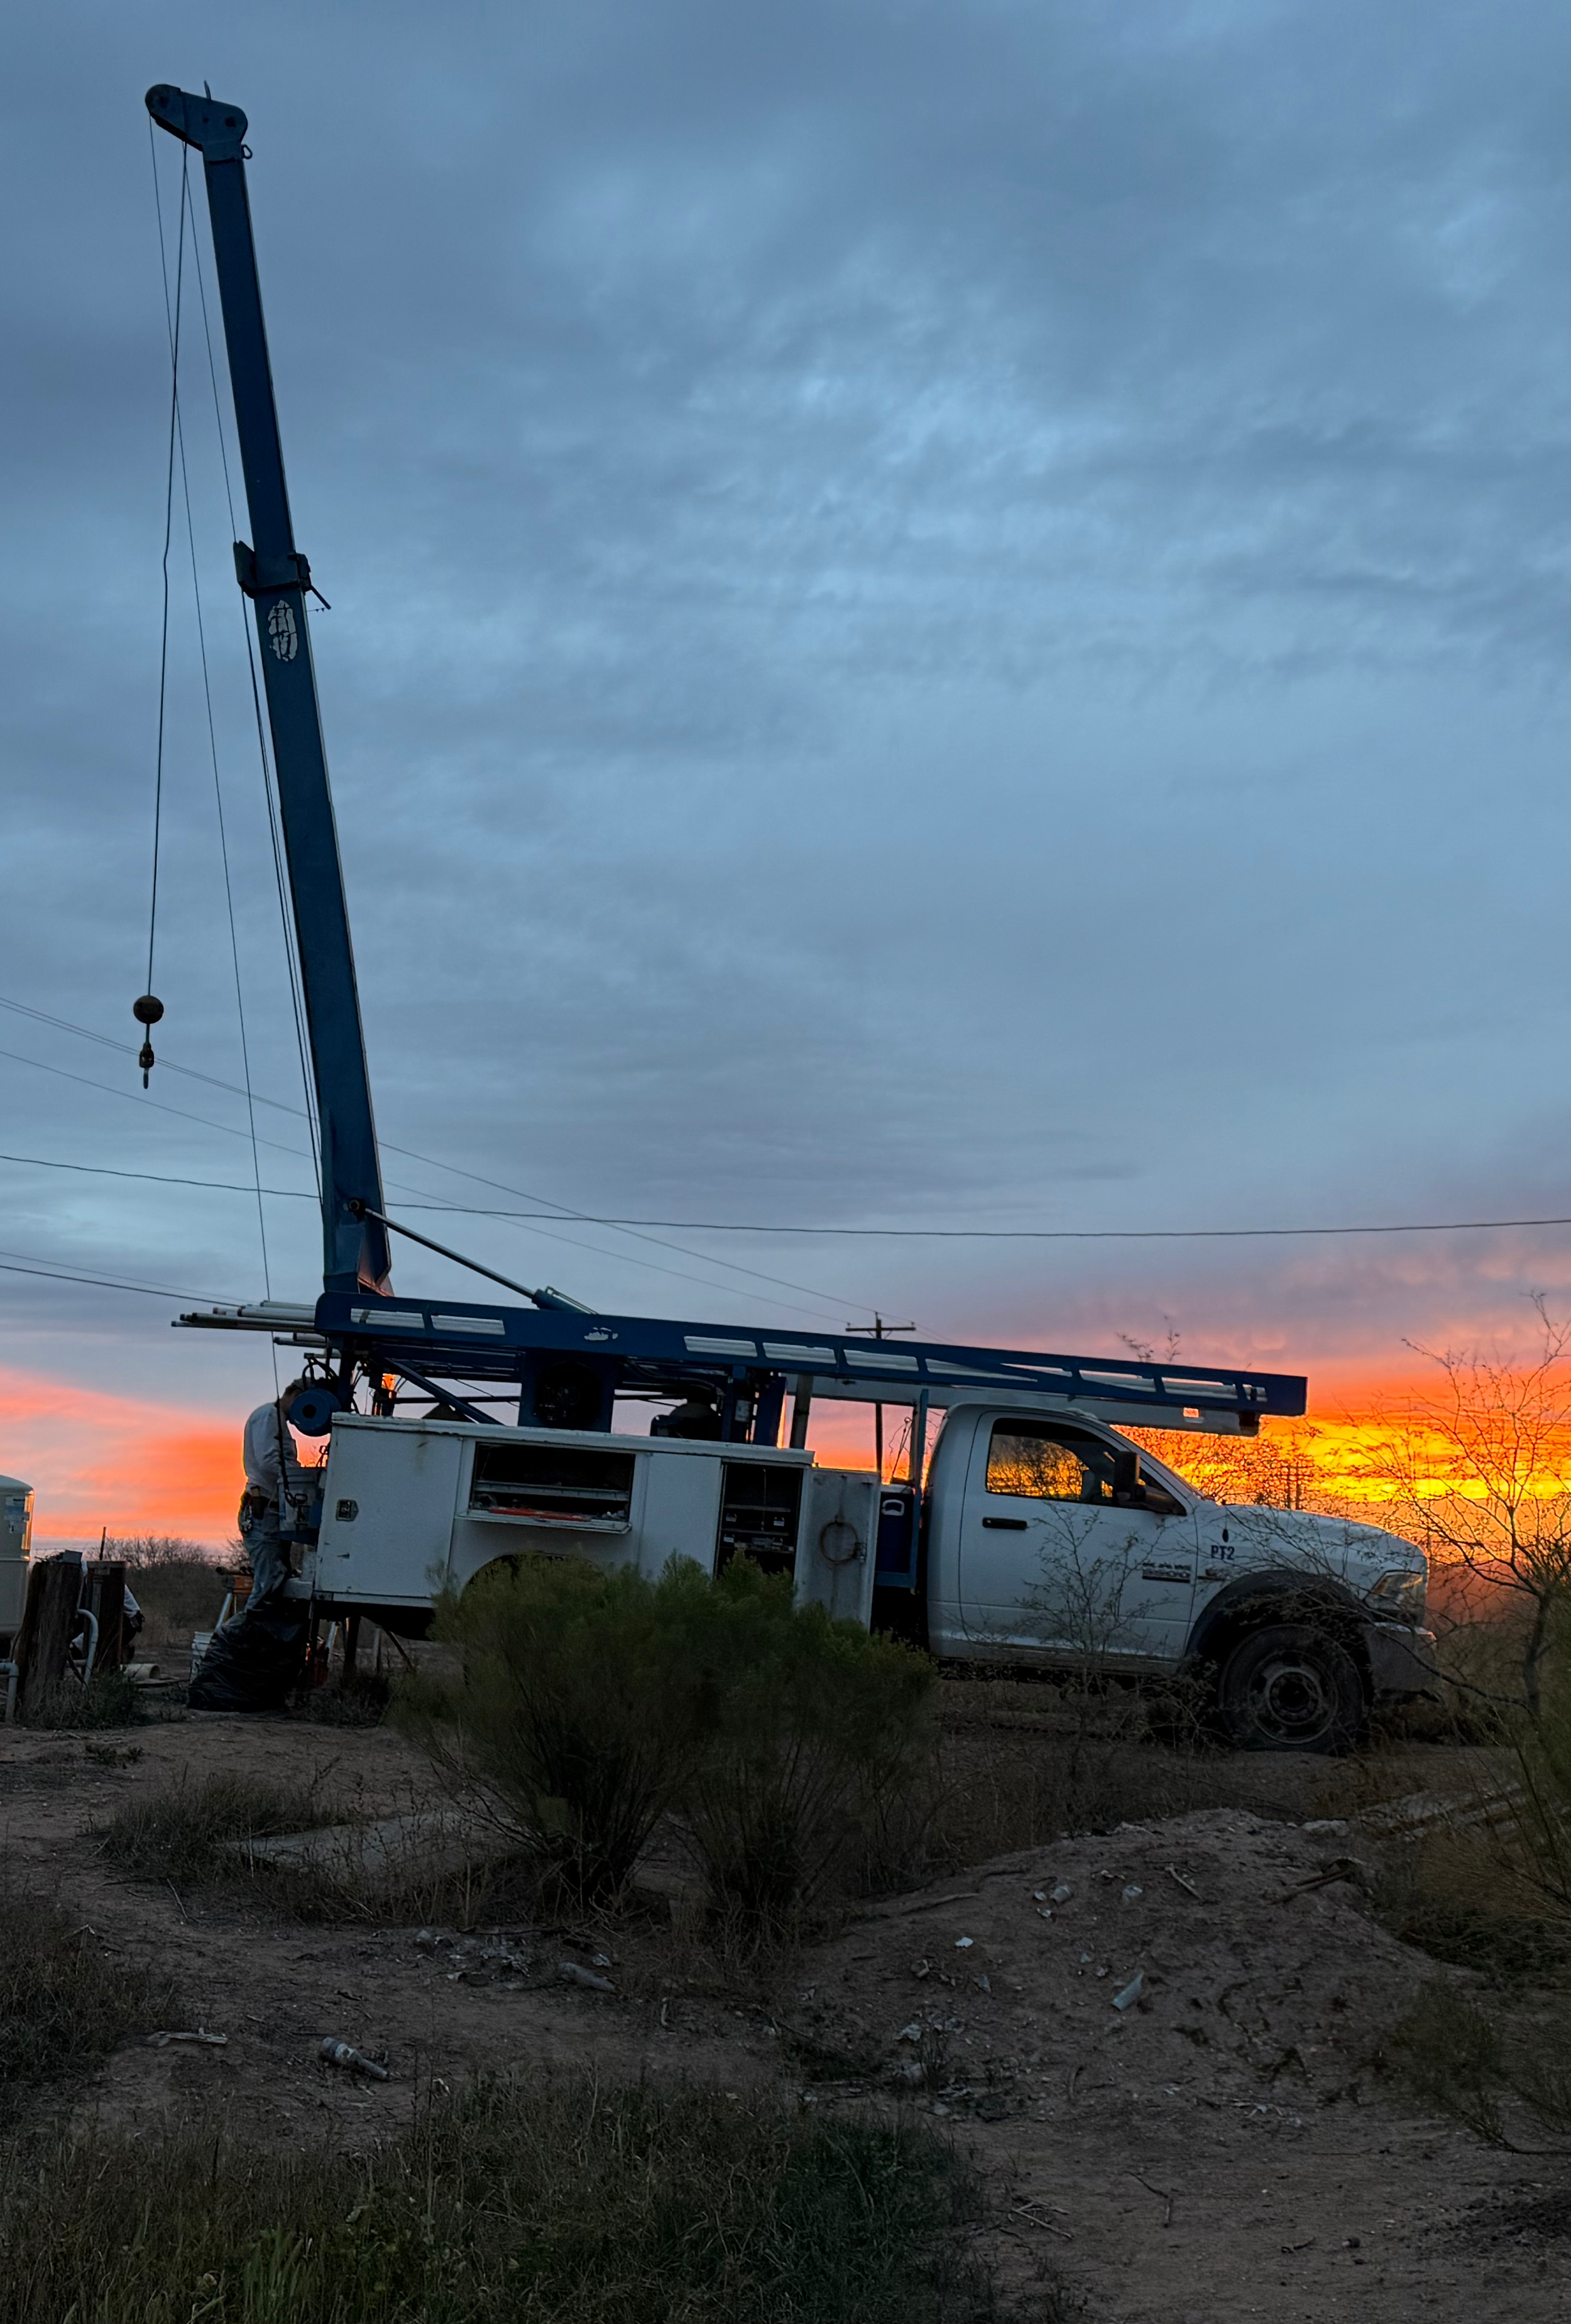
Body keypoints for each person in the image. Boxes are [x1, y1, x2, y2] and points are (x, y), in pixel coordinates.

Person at [239, 1379, 311, 1606]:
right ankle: (236, 1639)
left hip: (271, 1510)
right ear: (294, 1394)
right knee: (268, 1584)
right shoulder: (269, 1416)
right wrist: (304, 1479)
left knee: (275, 1584)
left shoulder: (277, 1419)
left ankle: (263, 1636)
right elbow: (269, 1461)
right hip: (264, 1510)